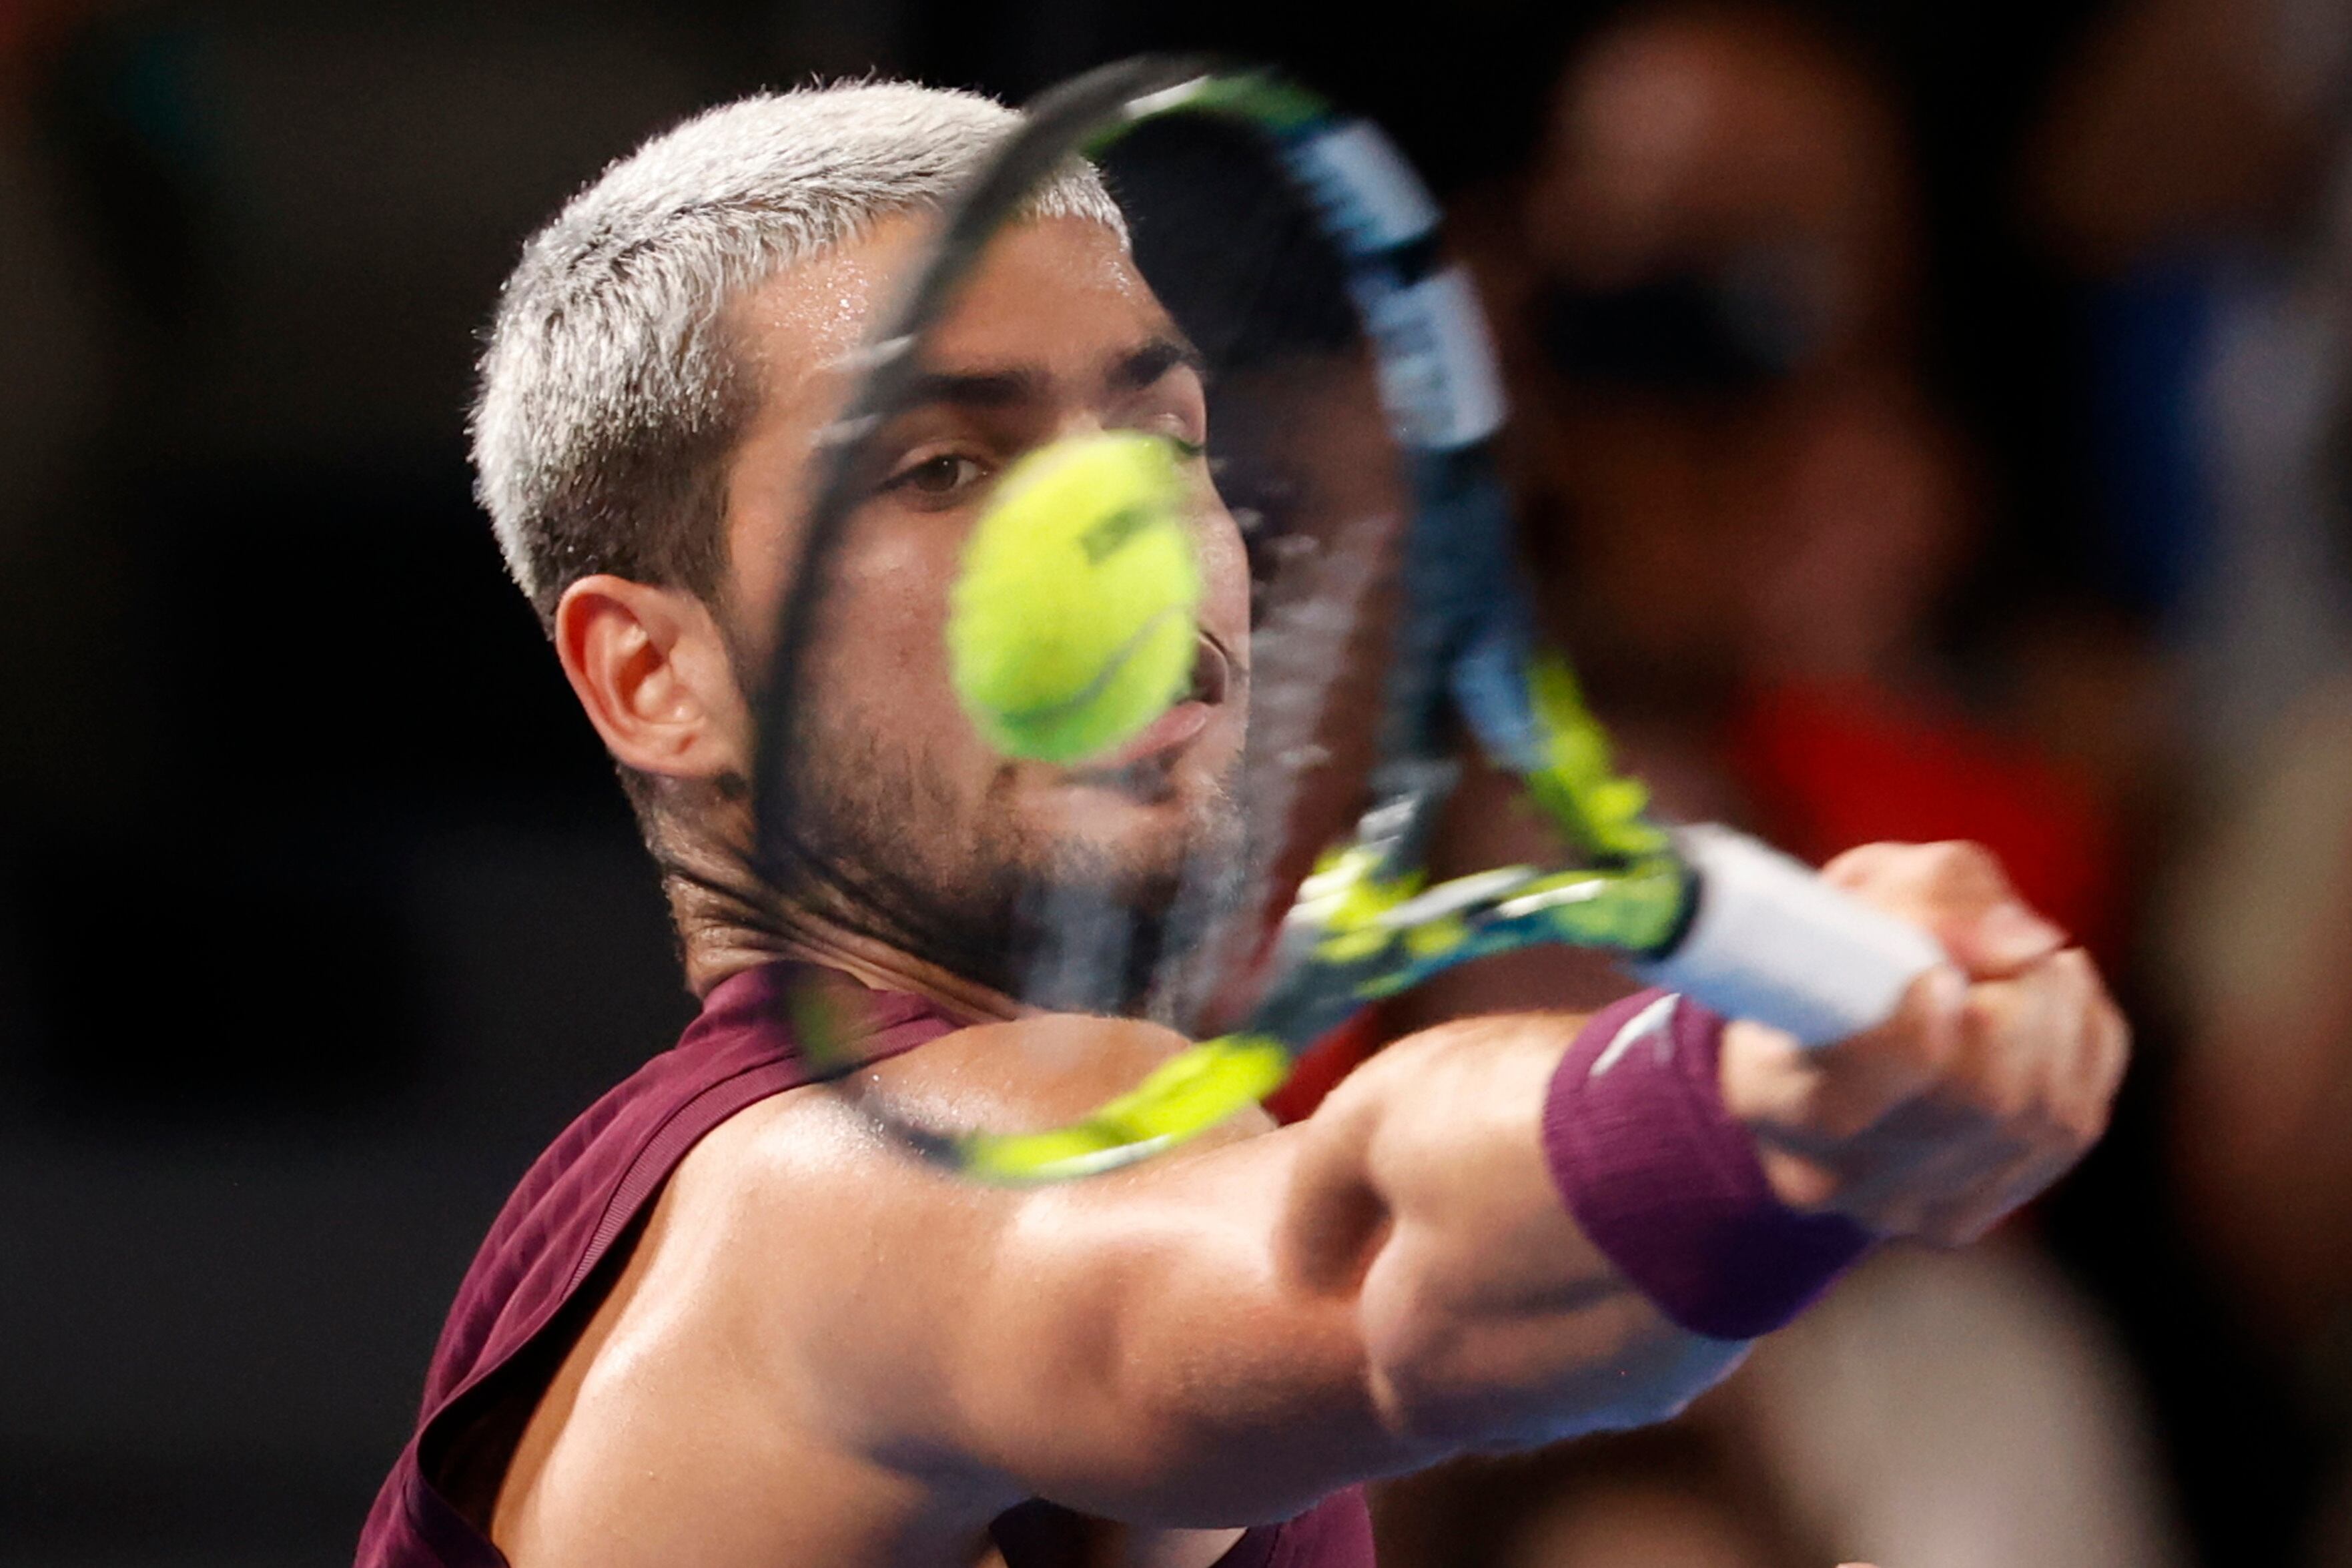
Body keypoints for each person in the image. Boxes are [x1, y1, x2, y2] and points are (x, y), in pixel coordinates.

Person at [356, 82, 2126, 1568]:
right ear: (654, 677)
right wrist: (1751, 1105)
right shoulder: (827, 1208)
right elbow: (1358, 1253)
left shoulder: (790, 1219)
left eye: (1165, 439)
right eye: (942, 469)